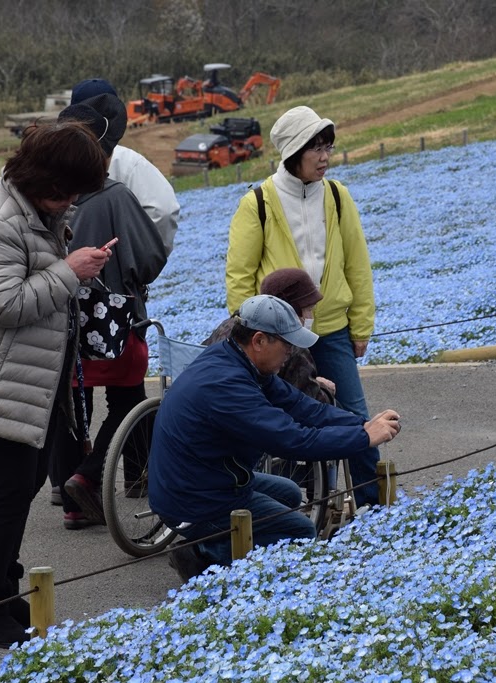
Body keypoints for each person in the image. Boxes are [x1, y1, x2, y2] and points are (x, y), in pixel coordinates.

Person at [0, 121, 109, 647]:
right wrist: (70, 271)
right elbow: (4, 305)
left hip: (24, 379)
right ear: (44, 177)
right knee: (8, 494)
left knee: (24, 485)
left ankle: (1, 598)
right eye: (68, 191)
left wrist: (74, 266)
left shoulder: (34, 207)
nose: (72, 200)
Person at [148, 295, 401, 579]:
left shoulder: (236, 359)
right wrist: (362, 439)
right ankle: (202, 553)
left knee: (290, 493)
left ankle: (223, 542)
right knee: (301, 532)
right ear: (259, 341)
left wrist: (362, 424)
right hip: (193, 501)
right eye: (287, 343)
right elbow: (294, 440)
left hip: (205, 478)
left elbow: (302, 407)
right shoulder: (228, 386)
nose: (291, 352)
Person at [225, 105, 380, 505]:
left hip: (331, 329)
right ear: (293, 153)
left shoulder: (338, 196)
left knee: (355, 417)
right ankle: (297, 509)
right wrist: (251, 333)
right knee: (290, 423)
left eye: (328, 147)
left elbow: (357, 265)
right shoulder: (258, 202)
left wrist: (361, 324)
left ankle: (373, 509)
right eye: (316, 149)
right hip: (280, 336)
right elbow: (240, 277)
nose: (325, 157)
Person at [47, 77, 180, 507]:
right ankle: (125, 478)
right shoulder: (118, 190)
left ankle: (66, 493)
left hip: (59, 312)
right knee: (128, 392)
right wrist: (132, 273)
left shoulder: (47, 185)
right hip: (115, 310)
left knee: (70, 402)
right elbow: (151, 244)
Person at [70, 78, 180, 255]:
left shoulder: (55, 157)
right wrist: (136, 258)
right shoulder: (129, 162)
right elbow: (163, 211)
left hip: (62, 271)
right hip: (116, 271)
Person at [205, 267, 335, 404]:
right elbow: (310, 404)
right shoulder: (290, 345)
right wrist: (325, 389)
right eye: (308, 309)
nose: (311, 316)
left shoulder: (229, 325)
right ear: (291, 310)